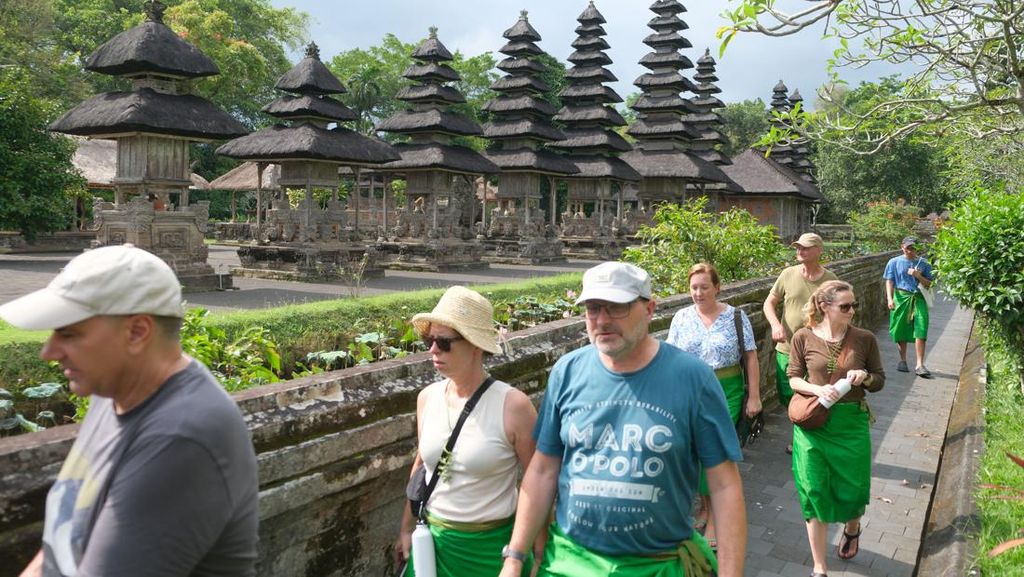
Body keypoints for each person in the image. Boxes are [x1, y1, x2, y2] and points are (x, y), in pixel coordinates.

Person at [2, 244, 259, 577]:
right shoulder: (112, 392)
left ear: (137, 332)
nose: (49, 352)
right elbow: (63, 542)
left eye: (69, 333)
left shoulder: (182, 435)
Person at [498, 261, 746, 577]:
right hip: (569, 562)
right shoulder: (568, 371)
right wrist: (515, 556)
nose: (602, 320)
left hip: (656, 565)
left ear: (649, 309)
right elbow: (543, 469)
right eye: (593, 308)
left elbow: (725, 486)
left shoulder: (693, 379)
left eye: (616, 308)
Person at [394, 286, 540, 577]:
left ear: (475, 346)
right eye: (429, 340)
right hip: (432, 545)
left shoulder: (513, 406)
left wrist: (536, 554)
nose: (433, 350)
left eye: (444, 342)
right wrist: (406, 529)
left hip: (492, 550)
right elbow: (423, 466)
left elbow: (536, 482)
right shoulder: (428, 398)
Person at [787, 280, 885, 577]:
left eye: (854, 305)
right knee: (814, 490)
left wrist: (864, 376)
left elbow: (879, 380)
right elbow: (793, 378)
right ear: (824, 307)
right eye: (845, 306)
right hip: (815, 423)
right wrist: (818, 391)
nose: (852, 310)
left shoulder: (865, 338)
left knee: (853, 490)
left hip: (850, 423)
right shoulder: (802, 337)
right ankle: (819, 567)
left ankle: (852, 527)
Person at [665, 263, 761, 550]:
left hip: (726, 391)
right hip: (689, 392)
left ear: (717, 287)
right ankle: (706, 507)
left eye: (704, 287)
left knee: (715, 451)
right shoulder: (681, 317)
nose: (698, 293)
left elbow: (752, 357)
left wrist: (754, 396)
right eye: (694, 287)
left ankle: (716, 521)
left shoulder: (735, 316)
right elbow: (669, 356)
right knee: (695, 452)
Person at [763, 232, 838, 453]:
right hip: (787, 348)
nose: (799, 251)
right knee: (787, 393)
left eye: (805, 247)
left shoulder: (831, 280)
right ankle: (804, 430)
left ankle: (805, 440)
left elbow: (841, 312)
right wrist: (776, 325)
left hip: (818, 350)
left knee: (815, 394)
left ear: (819, 250)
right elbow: (769, 303)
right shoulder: (788, 274)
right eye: (798, 247)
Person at [883, 236, 935, 378]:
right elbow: (890, 280)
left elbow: (930, 284)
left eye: (913, 248)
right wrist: (889, 298)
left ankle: (920, 364)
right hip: (900, 297)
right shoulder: (894, 262)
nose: (910, 251)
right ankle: (903, 360)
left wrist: (918, 275)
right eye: (908, 248)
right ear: (902, 247)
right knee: (900, 329)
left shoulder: (924, 263)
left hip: (918, 298)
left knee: (921, 328)